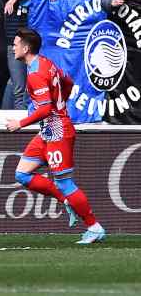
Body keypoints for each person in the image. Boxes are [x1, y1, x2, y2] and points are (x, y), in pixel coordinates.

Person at [6, 28, 106, 244]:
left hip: (58, 131)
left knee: (65, 183)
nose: (13, 47)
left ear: (26, 48)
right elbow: (68, 81)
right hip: (48, 130)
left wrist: (20, 124)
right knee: (22, 175)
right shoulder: (46, 63)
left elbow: (44, 108)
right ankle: (67, 202)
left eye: (15, 44)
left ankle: (94, 226)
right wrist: (62, 103)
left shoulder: (35, 75)